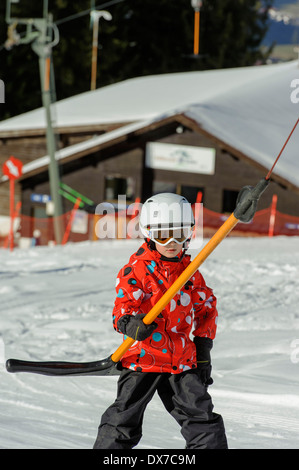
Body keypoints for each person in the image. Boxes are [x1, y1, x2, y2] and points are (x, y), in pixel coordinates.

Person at [93, 193, 228, 449]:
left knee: (202, 419)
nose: (172, 242)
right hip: (143, 358)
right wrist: (129, 323)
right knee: (123, 421)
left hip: (181, 360)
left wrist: (203, 348)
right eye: (163, 235)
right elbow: (123, 306)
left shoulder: (190, 273)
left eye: (179, 233)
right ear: (148, 232)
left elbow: (206, 307)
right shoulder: (136, 270)